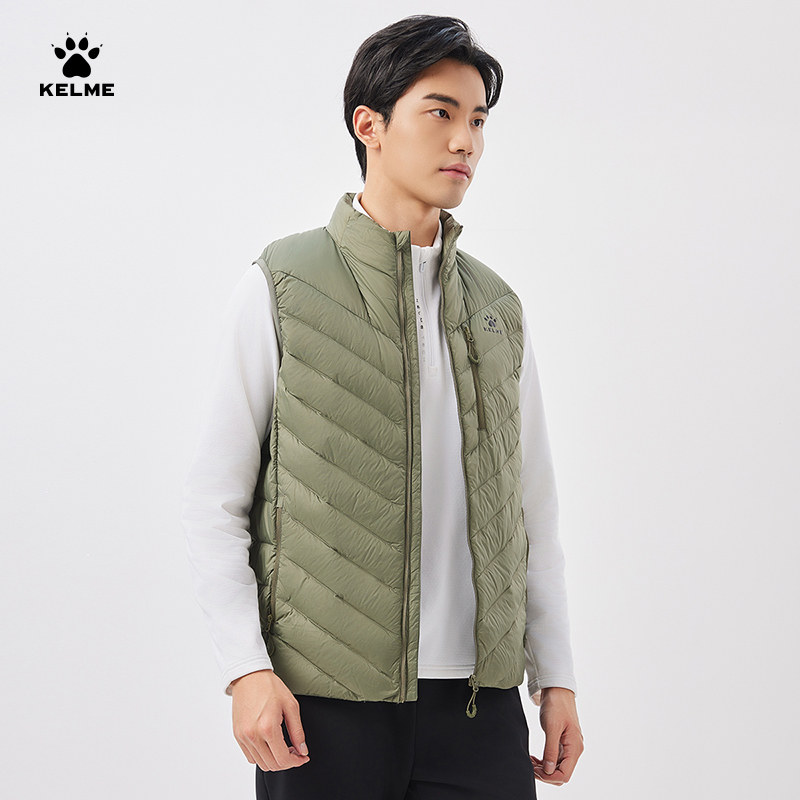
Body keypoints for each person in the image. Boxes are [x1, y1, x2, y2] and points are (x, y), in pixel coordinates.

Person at [181, 14, 584, 799]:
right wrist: (246, 669)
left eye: (478, 121)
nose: (464, 141)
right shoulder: (282, 286)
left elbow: (533, 512)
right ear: (369, 124)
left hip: (480, 705)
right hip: (322, 705)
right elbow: (214, 501)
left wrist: (556, 676)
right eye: (440, 112)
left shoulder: (496, 309)